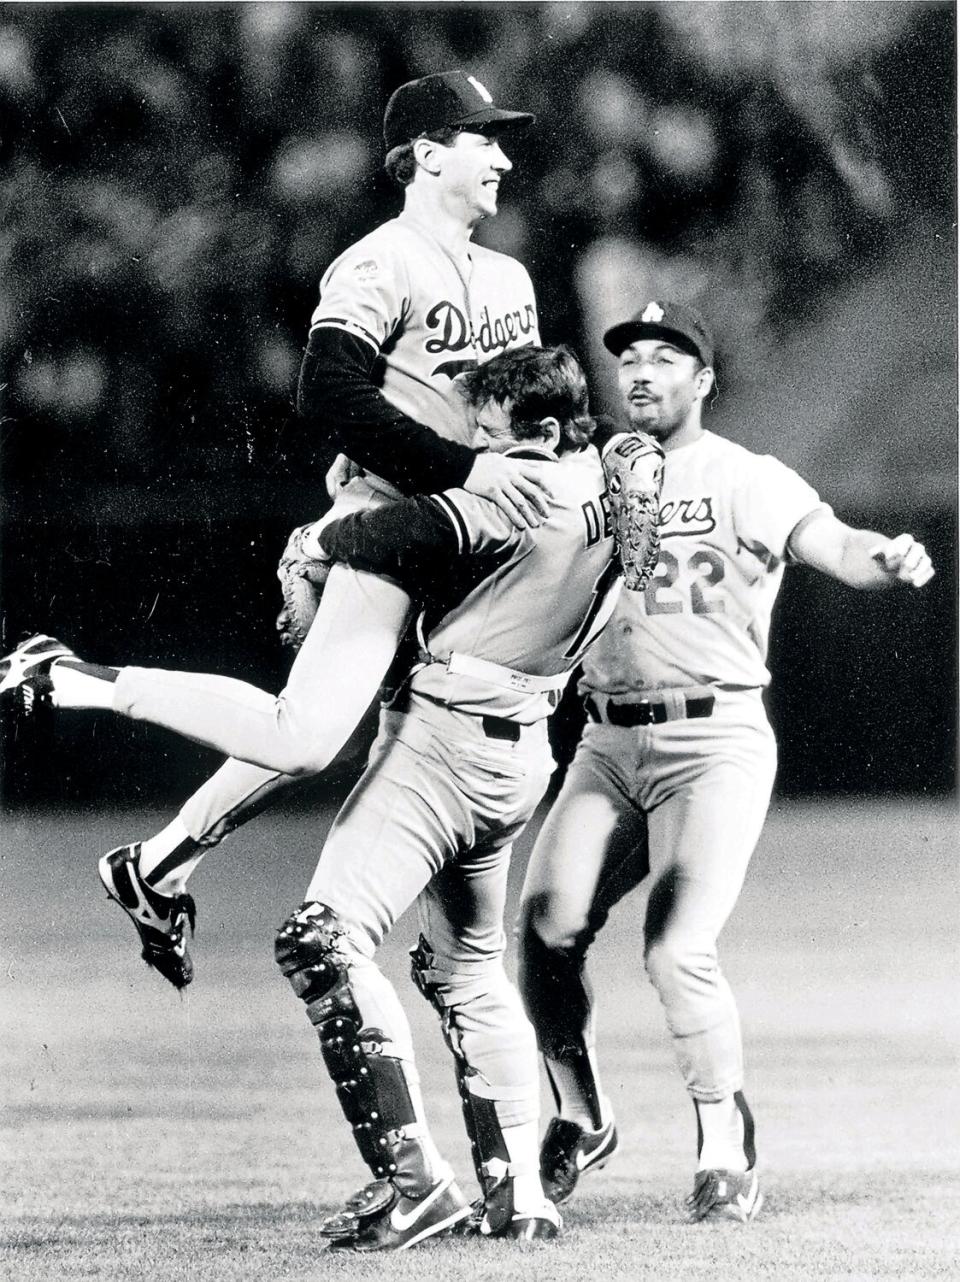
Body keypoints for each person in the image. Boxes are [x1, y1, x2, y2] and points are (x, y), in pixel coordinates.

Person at [3, 347, 660, 1250]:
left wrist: (316, 539)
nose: (473, 451)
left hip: (444, 748)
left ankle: (413, 1185)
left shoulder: (525, 491)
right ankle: (524, 1201)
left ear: (543, 434)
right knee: (466, 969)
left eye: (490, 435)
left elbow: (395, 535)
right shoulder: (612, 476)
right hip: (522, 758)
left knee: (322, 939)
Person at [0, 70, 554, 990]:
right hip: (396, 523)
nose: (500, 155)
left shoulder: (510, 277)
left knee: (373, 740)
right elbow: (325, 393)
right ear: (424, 156)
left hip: (470, 537)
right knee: (307, 736)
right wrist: (458, 471)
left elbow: (527, 411)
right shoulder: (379, 262)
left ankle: (161, 863)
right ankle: (73, 677)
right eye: (480, 137)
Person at [515, 300, 935, 1225]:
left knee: (675, 948)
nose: (643, 373)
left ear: (703, 380)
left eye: (667, 358)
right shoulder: (584, 475)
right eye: (631, 358)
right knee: (543, 931)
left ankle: (723, 1139)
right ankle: (581, 1115)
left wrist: (886, 555)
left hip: (715, 744)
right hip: (605, 741)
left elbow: (836, 546)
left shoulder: (745, 477)